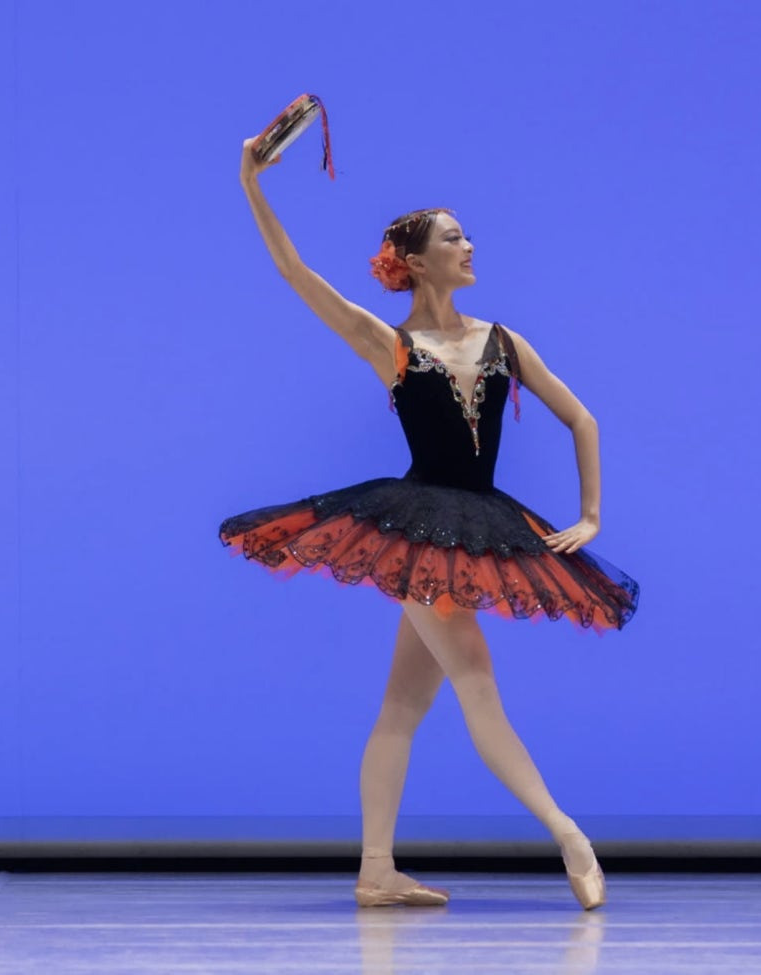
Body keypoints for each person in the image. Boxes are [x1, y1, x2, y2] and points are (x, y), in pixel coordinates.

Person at [219, 138, 640, 910]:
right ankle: (567, 832)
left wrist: (590, 515)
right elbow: (294, 272)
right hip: (418, 531)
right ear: (414, 261)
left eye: (467, 234)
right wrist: (252, 182)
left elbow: (582, 418)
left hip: (479, 522)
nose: (469, 244)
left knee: (402, 707)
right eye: (453, 237)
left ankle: (376, 870)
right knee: (477, 684)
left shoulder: (503, 341)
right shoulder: (392, 345)